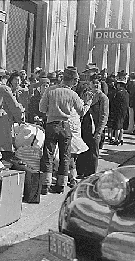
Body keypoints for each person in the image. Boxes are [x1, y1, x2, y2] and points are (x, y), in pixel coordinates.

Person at [39, 66, 93, 194]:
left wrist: (51, 110)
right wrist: (88, 103)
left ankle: (45, 184)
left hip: (52, 124)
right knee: (65, 156)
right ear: (73, 81)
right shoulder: (73, 94)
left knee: (48, 154)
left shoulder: (50, 90)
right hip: (65, 125)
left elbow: (41, 108)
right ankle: (61, 185)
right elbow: (81, 112)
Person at [76, 73, 109, 177]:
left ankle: (91, 174)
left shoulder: (103, 98)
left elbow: (104, 115)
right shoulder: (85, 94)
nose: (96, 84)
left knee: (93, 152)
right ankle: (80, 172)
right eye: (93, 82)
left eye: (98, 83)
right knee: (82, 150)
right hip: (84, 126)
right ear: (89, 83)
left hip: (95, 128)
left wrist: (99, 131)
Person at [110, 74, 129, 145]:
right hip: (124, 111)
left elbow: (114, 102)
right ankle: (121, 139)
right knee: (121, 126)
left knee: (117, 126)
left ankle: (116, 140)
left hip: (118, 110)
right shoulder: (126, 92)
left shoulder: (117, 92)